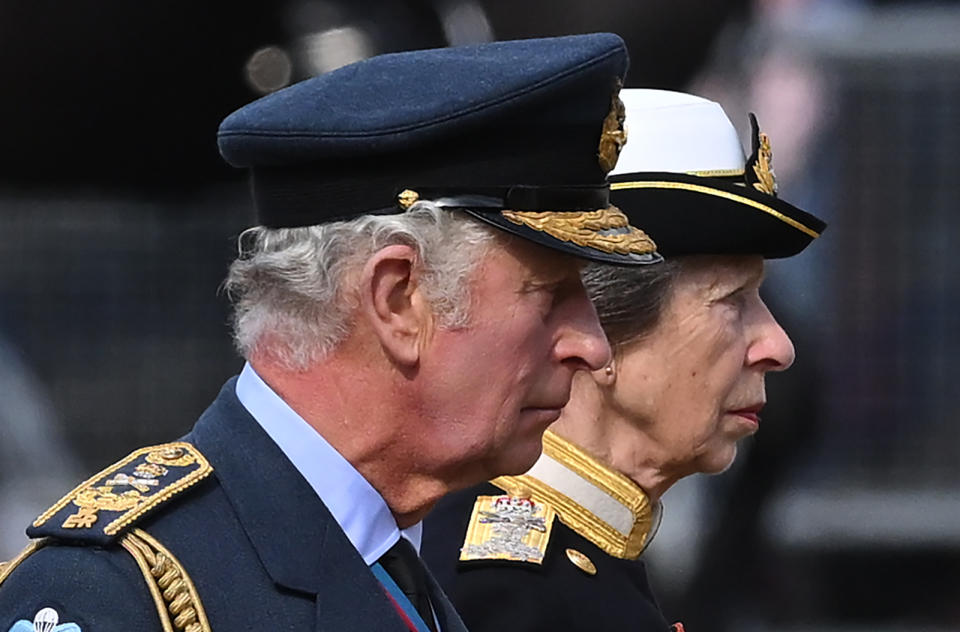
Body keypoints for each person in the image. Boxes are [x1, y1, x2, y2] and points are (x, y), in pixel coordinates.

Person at [0, 35, 662, 632]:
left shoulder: (395, 563)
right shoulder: (116, 596)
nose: (593, 346)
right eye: (550, 298)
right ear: (399, 300)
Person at [421, 88, 828, 631]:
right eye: (732, 301)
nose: (778, 346)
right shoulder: (510, 594)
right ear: (596, 334)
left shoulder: (583, 561)